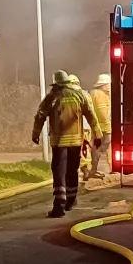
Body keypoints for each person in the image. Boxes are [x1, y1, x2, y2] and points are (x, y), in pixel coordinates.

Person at [32, 70, 102, 218]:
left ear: (56, 84)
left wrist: (36, 133)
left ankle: (59, 203)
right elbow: (91, 114)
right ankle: (71, 199)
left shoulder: (52, 97)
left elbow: (40, 116)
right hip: (76, 141)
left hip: (59, 142)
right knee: (72, 170)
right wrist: (98, 134)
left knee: (59, 172)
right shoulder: (78, 95)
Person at [88, 73, 112, 178]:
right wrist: (108, 126)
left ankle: (109, 168)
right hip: (102, 127)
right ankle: (93, 170)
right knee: (102, 146)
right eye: (108, 85)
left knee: (98, 147)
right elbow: (102, 113)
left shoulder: (94, 93)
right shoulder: (100, 95)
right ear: (104, 85)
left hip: (96, 126)